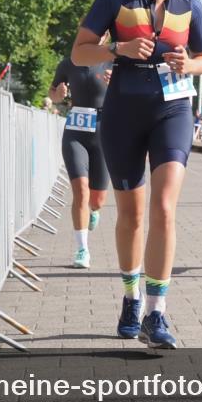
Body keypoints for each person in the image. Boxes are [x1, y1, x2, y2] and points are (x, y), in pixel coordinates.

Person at [70, 0, 202, 349]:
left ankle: (157, 312)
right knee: (131, 214)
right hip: (123, 110)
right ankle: (130, 297)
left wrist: (190, 65)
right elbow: (79, 51)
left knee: (165, 208)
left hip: (172, 109)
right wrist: (119, 48)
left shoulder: (190, 4)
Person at [48, 54, 114, 269]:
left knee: (97, 200)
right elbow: (53, 94)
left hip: (104, 133)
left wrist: (117, 86)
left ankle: (93, 211)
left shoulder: (115, 61)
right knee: (81, 191)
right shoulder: (69, 62)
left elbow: (130, 95)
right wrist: (58, 94)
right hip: (75, 132)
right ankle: (82, 249)